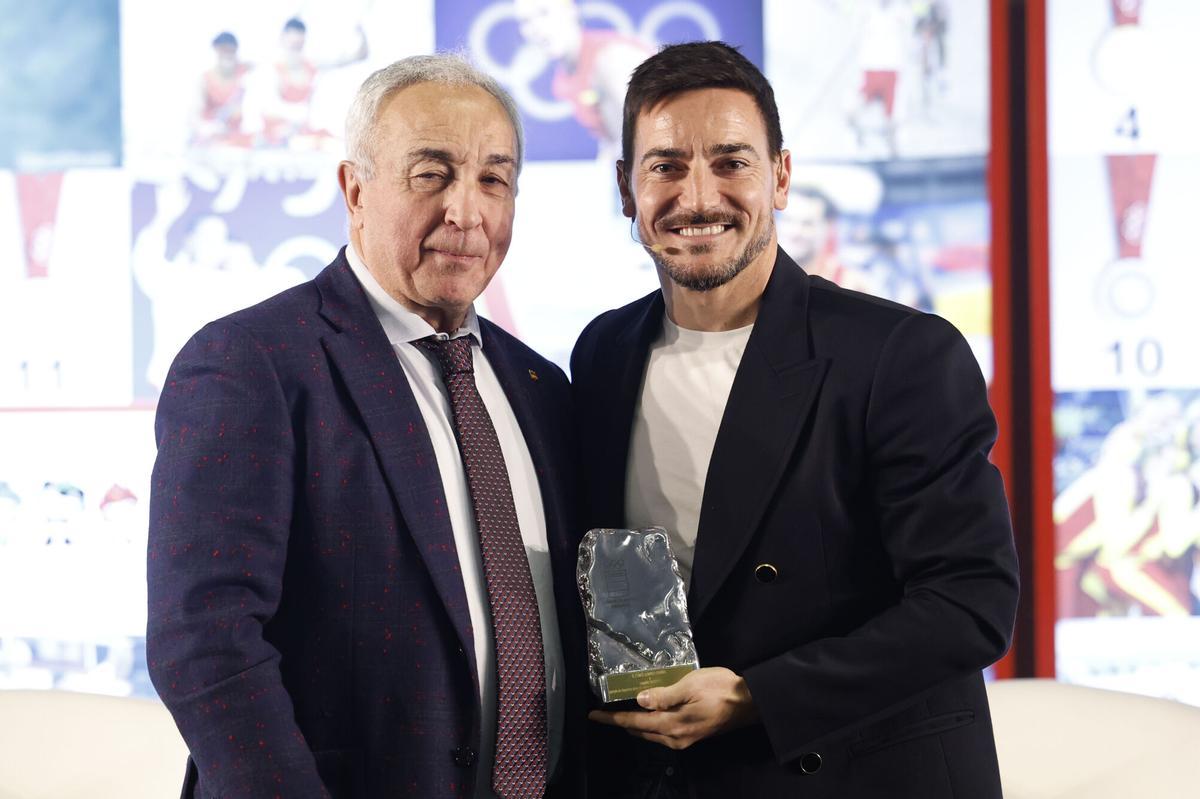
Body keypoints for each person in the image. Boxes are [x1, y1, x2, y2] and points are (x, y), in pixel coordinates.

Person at [571, 41, 1019, 798]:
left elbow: (970, 603)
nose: (699, 197)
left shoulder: (901, 354)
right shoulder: (603, 351)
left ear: (780, 176)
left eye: (731, 162)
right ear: (626, 187)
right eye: (666, 166)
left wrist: (755, 696)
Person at [147, 54, 584, 798]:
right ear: (355, 189)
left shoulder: (541, 387)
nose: (466, 212)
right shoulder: (251, 362)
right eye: (431, 174)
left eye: (493, 180)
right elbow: (206, 641)